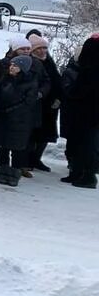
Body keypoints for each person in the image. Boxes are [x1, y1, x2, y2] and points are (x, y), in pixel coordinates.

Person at [60, 35, 99, 189]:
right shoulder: (88, 69)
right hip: (83, 114)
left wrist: (71, 92)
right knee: (79, 143)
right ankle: (77, 172)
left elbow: (80, 91)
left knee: (87, 145)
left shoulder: (91, 71)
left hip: (88, 115)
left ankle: (87, 176)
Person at [0, 54, 37, 187]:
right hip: (2, 118)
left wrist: (10, 110)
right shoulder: (5, 78)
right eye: (11, 65)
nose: (11, 68)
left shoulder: (30, 83)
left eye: (15, 66)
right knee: (2, 147)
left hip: (19, 121)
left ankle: (14, 174)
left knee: (17, 149)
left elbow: (28, 102)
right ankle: (2, 172)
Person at [28, 34, 62, 173]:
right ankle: (27, 160)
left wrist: (58, 98)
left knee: (46, 134)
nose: (42, 51)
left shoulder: (49, 62)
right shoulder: (30, 62)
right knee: (32, 135)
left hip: (50, 105)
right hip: (35, 104)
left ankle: (37, 159)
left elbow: (57, 81)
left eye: (44, 48)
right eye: (39, 48)